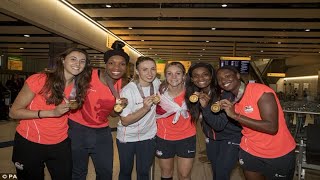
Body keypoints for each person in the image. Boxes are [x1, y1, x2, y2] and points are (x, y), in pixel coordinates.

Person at [9, 47, 92, 180]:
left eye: (82, 61)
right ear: (63, 60)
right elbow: (14, 112)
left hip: (60, 143)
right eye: (73, 59)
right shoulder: (40, 79)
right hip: (30, 142)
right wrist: (52, 113)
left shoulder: (79, 86)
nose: (78, 64)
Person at [216, 66, 296, 180]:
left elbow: (272, 127)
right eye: (219, 79)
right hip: (250, 150)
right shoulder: (232, 99)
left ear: (238, 76)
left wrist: (235, 115)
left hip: (278, 152)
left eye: (227, 76)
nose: (223, 80)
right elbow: (244, 124)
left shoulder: (260, 91)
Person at [68, 40, 129, 180]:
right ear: (106, 64)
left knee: (105, 173)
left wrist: (120, 108)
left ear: (126, 67)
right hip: (78, 129)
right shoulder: (88, 75)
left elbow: (112, 114)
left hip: (102, 131)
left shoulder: (121, 83)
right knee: (78, 173)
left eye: (122, 64)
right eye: (112, 63)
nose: (116, 67)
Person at [185, 62, 242, 180]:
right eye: (196, 75)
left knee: (221, 173)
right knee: (216, 172)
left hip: (230, 138)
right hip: (211, 139)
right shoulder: (196, 94)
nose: (200, 78)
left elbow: (219, 125)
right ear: (192, 79)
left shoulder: (225, 93)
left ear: (211, 76)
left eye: (205, 74)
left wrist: (205, 107)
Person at [117, 56, 161, 180]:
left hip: (148, 136)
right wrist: (145, 108)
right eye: (145, 69)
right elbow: (125, 121)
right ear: (137, 71)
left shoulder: (157, 83)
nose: (149, 73)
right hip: (127, 138)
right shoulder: (127, 91)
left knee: (143, 172)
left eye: (153, 69)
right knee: (126, 172)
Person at [155, 62, 196, 180]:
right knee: (166, 173)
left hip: (187, 137)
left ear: (184, 76)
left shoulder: (192, 93)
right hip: (164, 137)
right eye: (169, 73)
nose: (174, 77)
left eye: (178, 73)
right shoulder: (159, 93)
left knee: (184, 175)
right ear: (165, 76)